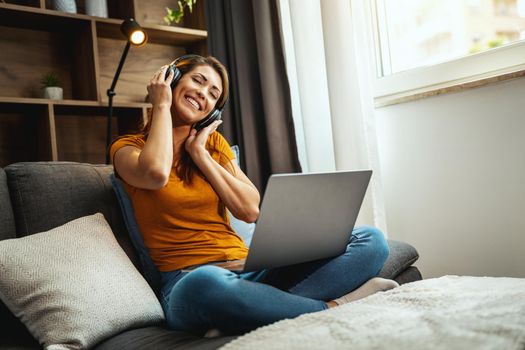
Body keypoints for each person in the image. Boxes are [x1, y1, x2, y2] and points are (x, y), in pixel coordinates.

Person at [110, 55, 399, 336]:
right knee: (206, 282)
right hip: (187, 283)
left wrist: (200, 156)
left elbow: (249, 210)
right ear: (171, 80)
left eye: (213, 94)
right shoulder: (127, 148)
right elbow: (156, 174)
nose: (203, 94)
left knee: (371, 240)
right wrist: (160, 104)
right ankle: (333, 307)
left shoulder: (211, 146)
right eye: (198, 81)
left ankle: (250, 311)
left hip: (248, 269)